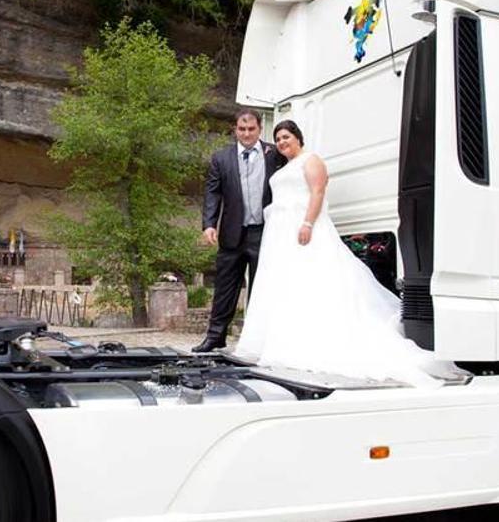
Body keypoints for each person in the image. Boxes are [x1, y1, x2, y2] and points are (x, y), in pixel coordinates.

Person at [233, 120, 453, 386]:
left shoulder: (311, 160)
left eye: (286, 137)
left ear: (298, 138)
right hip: (279, 233)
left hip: (302, 227)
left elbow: (317, 191)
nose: (281, 142)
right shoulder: (284, 167)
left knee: (313, 279)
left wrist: (307, 223)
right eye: (278, 138)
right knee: (287, 285)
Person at [193, 110, 286, 353]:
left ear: (259, 130)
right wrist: (209, 224)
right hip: (232, 232)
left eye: (251, 129)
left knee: (261, 288)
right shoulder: (220, 158)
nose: (246, 134)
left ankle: (257, 340)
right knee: (225, 287)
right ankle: (215, 336)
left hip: (264, 232)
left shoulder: (274, 154)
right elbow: (213, 193)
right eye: (242, 129)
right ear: (235, 129)